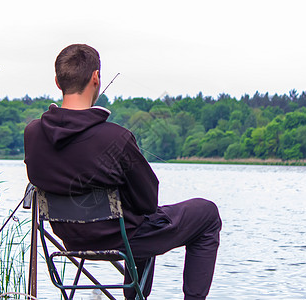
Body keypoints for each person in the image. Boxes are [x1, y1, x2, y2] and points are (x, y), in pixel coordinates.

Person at [24, 44, 222, 300]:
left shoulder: (32, 133)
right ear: (96, 77)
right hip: (120, 240)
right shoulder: (116, 137)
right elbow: (148, 202)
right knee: (206, 214)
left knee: (136, 220)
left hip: (68, 238)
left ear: (58, 81)